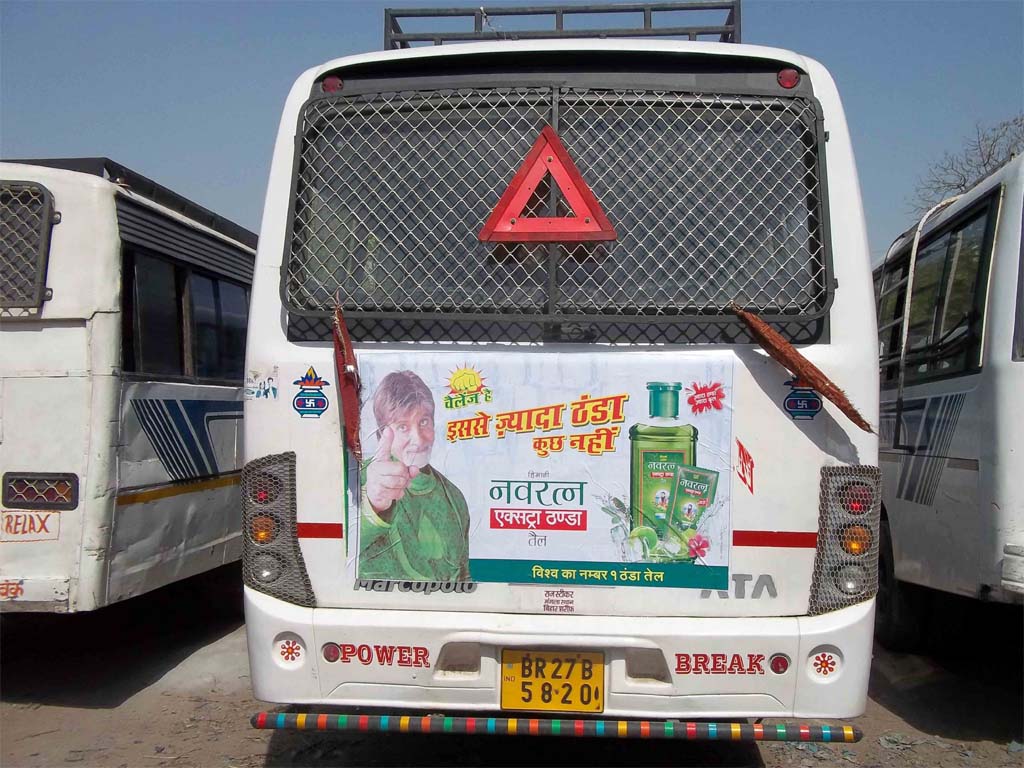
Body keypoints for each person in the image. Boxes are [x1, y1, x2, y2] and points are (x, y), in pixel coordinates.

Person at [359, 370, 470, 581]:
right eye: (402, 427)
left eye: (424, 422)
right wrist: (373, 506)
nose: (418, 440)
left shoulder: (454, 498)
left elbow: (464, 576)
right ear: (383, 433)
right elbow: (335, 550)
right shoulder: (358, 481)